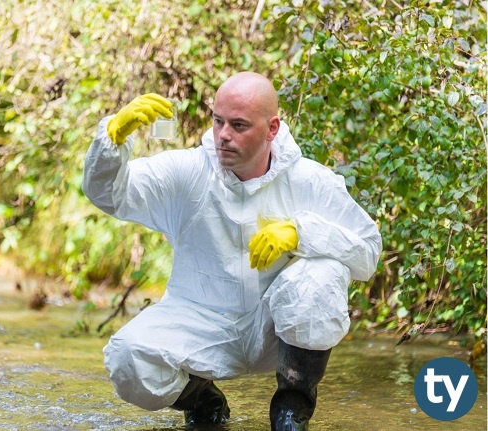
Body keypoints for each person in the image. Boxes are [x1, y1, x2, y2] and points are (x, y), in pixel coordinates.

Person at [82, 72, 382, 430]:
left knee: (322, 272)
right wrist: (112, 140)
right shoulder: (188, 171)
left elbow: (368, 252)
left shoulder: (309, 181)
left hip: (277, 327)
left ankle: (292, 406)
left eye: (239, 125)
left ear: (272, 129)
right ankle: (204, 401)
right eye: (218, 121)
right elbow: (109, 195)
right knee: (127, 359)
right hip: (202, 321)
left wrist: (300, 233)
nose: (223, 135)